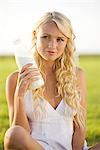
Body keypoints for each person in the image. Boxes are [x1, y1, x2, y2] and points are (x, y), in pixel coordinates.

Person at [4, 11, 100, 150]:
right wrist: (19, 96)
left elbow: (80, 126)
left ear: (67, 41)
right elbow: (20, 136)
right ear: (35, 36)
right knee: (13, 133)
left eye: (59, 39)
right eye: (45, 37)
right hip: (38, 148)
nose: (52, 45)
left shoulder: (77, 75)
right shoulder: (15, 79)